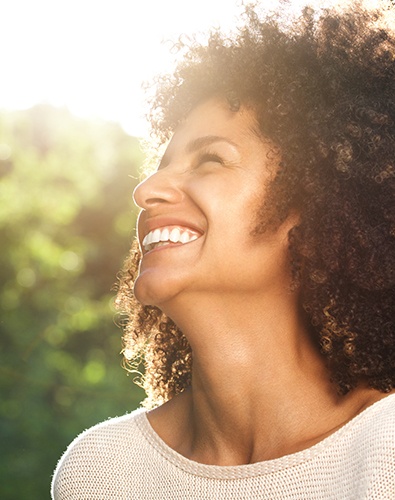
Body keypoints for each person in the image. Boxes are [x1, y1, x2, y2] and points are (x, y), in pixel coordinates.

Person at [51, 1, 395, 498]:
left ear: (316, 204)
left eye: (210, 159)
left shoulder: (383, 453)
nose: (147, 190)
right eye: (161, 163)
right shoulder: (102, 471)